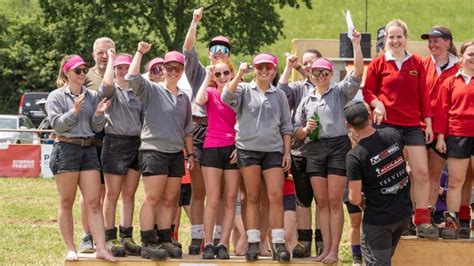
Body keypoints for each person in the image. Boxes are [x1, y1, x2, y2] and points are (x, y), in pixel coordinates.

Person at [363, 19, 438, 239]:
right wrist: (377, 104)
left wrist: (429, 123)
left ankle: (422, 221)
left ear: (406, 38)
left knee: (421, 173)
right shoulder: (378, 63)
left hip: (412, 126)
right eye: (391, 37)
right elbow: (368, 92)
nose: (395, 41)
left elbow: (425, 96)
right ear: (386, 39)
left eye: (399, 36)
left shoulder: (418, 63)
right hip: (387, 127)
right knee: (391, 175)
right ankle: (392, 220)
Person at [293, 30, 363, 264]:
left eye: (324, 72)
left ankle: (333, 249)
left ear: (331, 74)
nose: (320, 76)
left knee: (335, 201)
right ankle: (324, 249)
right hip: (314, 149)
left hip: (337, 147)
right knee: (321, 202)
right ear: (310, 74)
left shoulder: (339, 91)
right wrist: (305, 128)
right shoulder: (306, 99)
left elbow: (358, 74)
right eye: (316, 72)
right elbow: (297, 132)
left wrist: (356, 44)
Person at [126, 42, 194, 260]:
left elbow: (187, 130)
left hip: (176, 153)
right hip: (153, 150)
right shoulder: (152, 90)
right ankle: (148, 240)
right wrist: (139, 53)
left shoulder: (184, 98)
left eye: (178, 68)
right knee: (152, 197)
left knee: (170, 200)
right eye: (169, 68)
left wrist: (190, 154)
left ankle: (165, 238)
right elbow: (132, 78)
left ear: (182, 71)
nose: (173, 72)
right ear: (163, 69)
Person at [222, 53, 293, 262]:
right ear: (254, 68)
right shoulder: (244, 89)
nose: (264, 71)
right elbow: (226, 96)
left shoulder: (279, 94)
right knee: (251, 197)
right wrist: (240, 73)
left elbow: (286, 126)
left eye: (268, 67)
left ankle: (278, 243)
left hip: (273, 150)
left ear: (274, 70)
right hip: (248, 149)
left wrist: (287, 151)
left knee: (275, 196)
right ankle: (253, 241)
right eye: (260, 67)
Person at [46, 55, 115, 262]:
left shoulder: (92, 96)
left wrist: (100, 114)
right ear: (67, 73)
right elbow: (57, 126)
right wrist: (74, 111)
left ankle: (101, 248)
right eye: (78, 70)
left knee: (93, 202)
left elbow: (96, 127)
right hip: (66, 148)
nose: (83, 73)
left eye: (85, 70)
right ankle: (71, 248)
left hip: (88, 149)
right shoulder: (56, 96)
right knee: (67, 201)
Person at [183, 7, 233, 254]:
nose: (218, 53)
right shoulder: (199, 72)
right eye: (214, 49)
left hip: (224, 136)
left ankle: (217, 239)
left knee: (222, 192)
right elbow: (187, 50)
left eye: (223, 50)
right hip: (200, 131)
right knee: (199, 190)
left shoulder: (232, 79)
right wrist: (194, 22)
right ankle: (196, 236)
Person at [345, 100, 412, 266]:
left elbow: (353, 198)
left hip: (378, 222)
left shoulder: (355, 156)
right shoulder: (392, 133)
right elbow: (405, 157)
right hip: (403, 214)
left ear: (349, 126)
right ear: (369, 116)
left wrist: (362, 203)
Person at [278, 49, 324, 257]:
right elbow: (281, 90)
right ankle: (304, 242)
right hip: (300, 150)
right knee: (303, 200)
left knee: (322, 200)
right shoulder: (298, 88)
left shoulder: (330, 86)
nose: (307, 66)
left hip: (324, 151)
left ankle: (323, 242)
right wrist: (289, 66)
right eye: (304, 63)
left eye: (311, 62)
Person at [194, 59, 240, 259]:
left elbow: (244, 121)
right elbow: (198, 100)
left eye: (225, 73)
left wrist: (239, 145)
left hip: (233, 148)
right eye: (218, 74)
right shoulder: (211, 93)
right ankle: (209, 243)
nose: (222, 77)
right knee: (212, 198)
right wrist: (207, 74)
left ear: (231, 74)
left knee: (230, 199)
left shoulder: (239, 95)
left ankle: (223, 243)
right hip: (212, 147)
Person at [100, 51, 142, 256]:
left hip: (136, 143)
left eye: (127, 67)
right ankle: (109, 236)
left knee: (129, 194)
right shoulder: (111, 89)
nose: (124, 71)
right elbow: (106, 85)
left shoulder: (138, 90)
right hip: (115, 142)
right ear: (114, 70)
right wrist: (110, 61)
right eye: (120, 67)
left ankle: (127, 235)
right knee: (112, 193)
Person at [420, 26, 461, 229]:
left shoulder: (459, 67)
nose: (432, 44)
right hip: (420, 126)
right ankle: (415, 215)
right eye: (430, 41)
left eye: (436, 40)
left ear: (447, 42)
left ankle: (429, 212)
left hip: (444, 129)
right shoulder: (421, 64)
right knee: (418, 173)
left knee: (434, 173)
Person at [434, 40, 474, 239]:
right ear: (461, 57)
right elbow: (442, 111)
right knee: (456, 181)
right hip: (458, 134)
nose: (473, 58)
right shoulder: (450, 81)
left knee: (471, 182)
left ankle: (466, 221)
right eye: (471, 54)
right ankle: (451, 221)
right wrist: (441, 136)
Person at [79, 37, 116, 253]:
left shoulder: (120, 72)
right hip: (92, 139)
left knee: (106, 192)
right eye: (100, 52)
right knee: (89, 194)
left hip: (114, 141)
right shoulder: (86, 76)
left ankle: (102, 234)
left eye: (108, 52)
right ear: (93, 55)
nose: (104, 56)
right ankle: (87, 235)